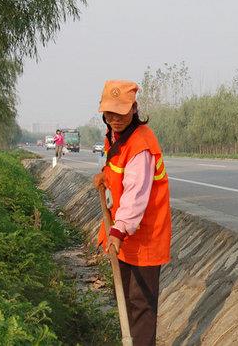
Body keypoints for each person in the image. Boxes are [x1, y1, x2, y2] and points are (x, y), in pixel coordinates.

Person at [93, 80, 171, 346]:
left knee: (141, 306)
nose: (115, 119)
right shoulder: (116, 138)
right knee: (126, 299)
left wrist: (118, 230)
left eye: (121, 113)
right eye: (110, 113)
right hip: (125, 236)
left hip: (144, 236)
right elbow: (120, 175)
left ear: (134, 109)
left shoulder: (141, 144)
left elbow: (136, 194)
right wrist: (104, 176)